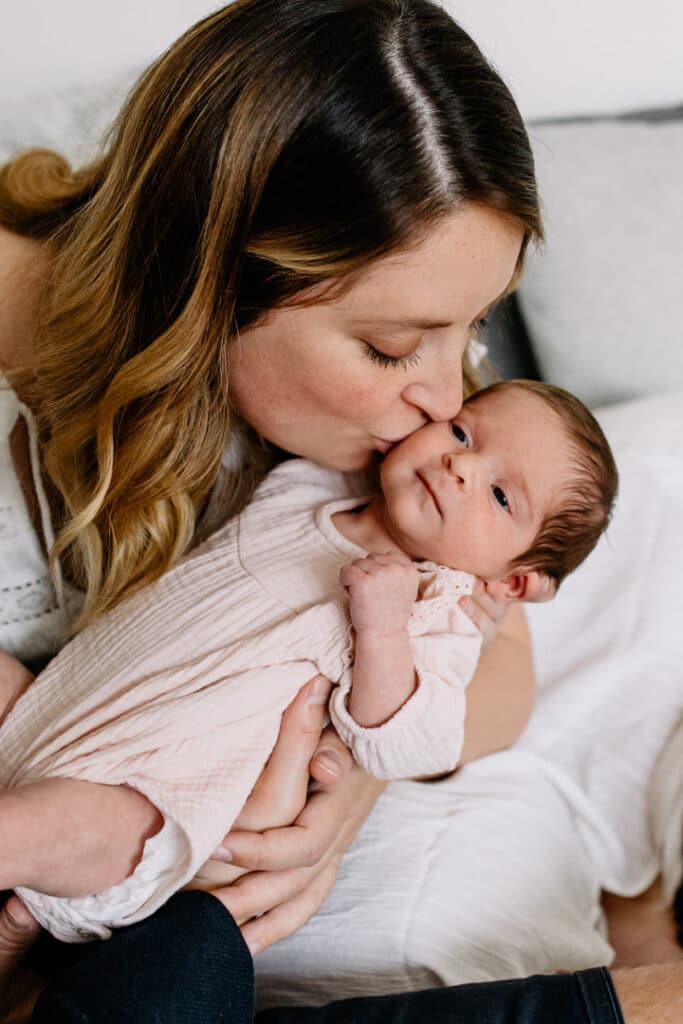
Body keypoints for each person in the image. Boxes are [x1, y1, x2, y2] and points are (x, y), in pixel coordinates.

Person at [0, 0, 677, 1020]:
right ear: (205, 283)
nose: (448, 399)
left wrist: (351, 776)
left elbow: (494, 658)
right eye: (391, 345)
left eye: (471, 326)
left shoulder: (404, 421)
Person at [0, 378, 617, 943]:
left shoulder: (439, 615)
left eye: (502, 496)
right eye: (462, 432)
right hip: (55, 706)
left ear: (514, 584)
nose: (461, 465)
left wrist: (382, 631)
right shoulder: (316, 483)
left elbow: (415, 744)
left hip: (145, 805)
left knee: (27, 830)